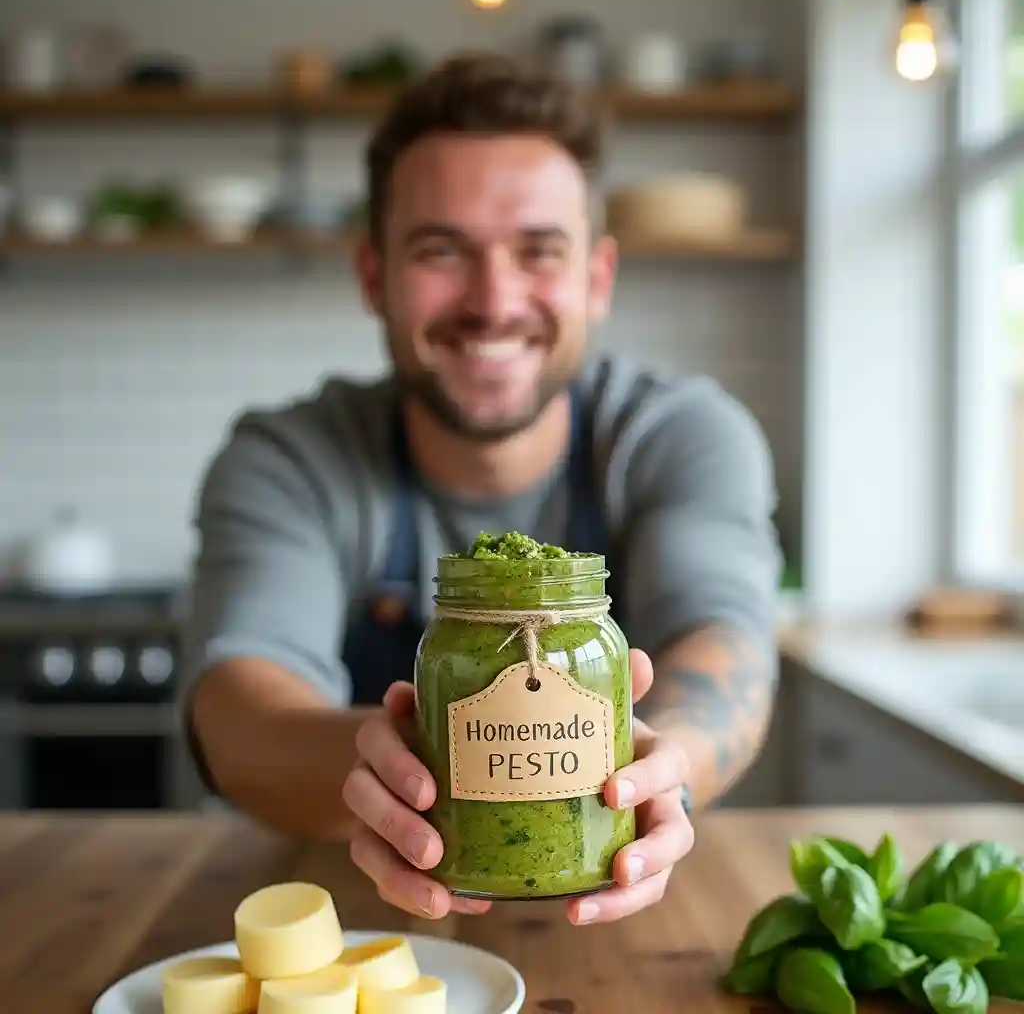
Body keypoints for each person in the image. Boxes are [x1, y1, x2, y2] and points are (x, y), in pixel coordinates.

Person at [180, 51, 783, 929]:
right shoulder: (291, 458)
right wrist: (394, 764)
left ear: (597, 278)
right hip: (345, 917)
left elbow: (727, 646)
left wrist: (660, 769)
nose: (494, 300)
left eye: (538, 251)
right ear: (374, 277)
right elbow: (238, 709)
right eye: (440, 251)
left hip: (635, 915)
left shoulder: (681, 435)